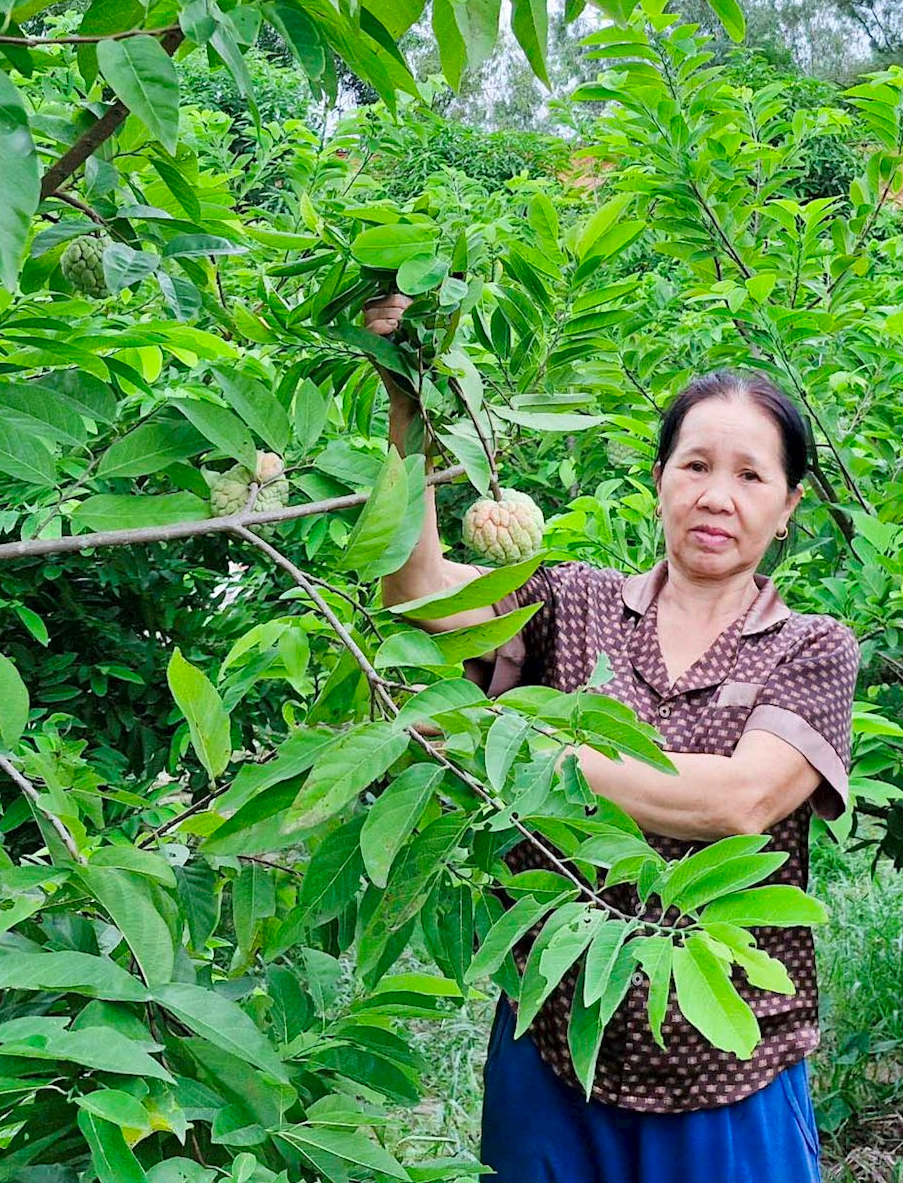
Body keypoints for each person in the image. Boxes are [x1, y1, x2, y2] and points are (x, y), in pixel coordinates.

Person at [362, 291, 857, 1183]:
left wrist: (519, 743)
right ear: (660, 478)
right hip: (555, 1034)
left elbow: (739, 800)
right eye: (695, 464)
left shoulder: (811, 644)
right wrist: (410, 404)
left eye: (751, 476)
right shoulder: (573, 598)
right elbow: (421, 591)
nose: (717, 496)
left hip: (726, 1056)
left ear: (788, 506)